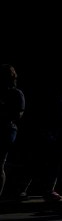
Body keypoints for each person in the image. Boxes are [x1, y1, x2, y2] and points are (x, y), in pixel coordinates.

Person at [19, 68, 62, 202]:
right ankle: (22, 189)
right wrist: (46, 130)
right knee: (38, 161)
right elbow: (44, 114)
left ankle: (49, 189)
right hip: (50, 132)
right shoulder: (51, 95)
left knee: (56, 163)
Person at [1, 65, 25, 199]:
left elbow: (18, 115)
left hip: (6, 130)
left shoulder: (16, 93)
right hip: (6, 129)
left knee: (0, 164)